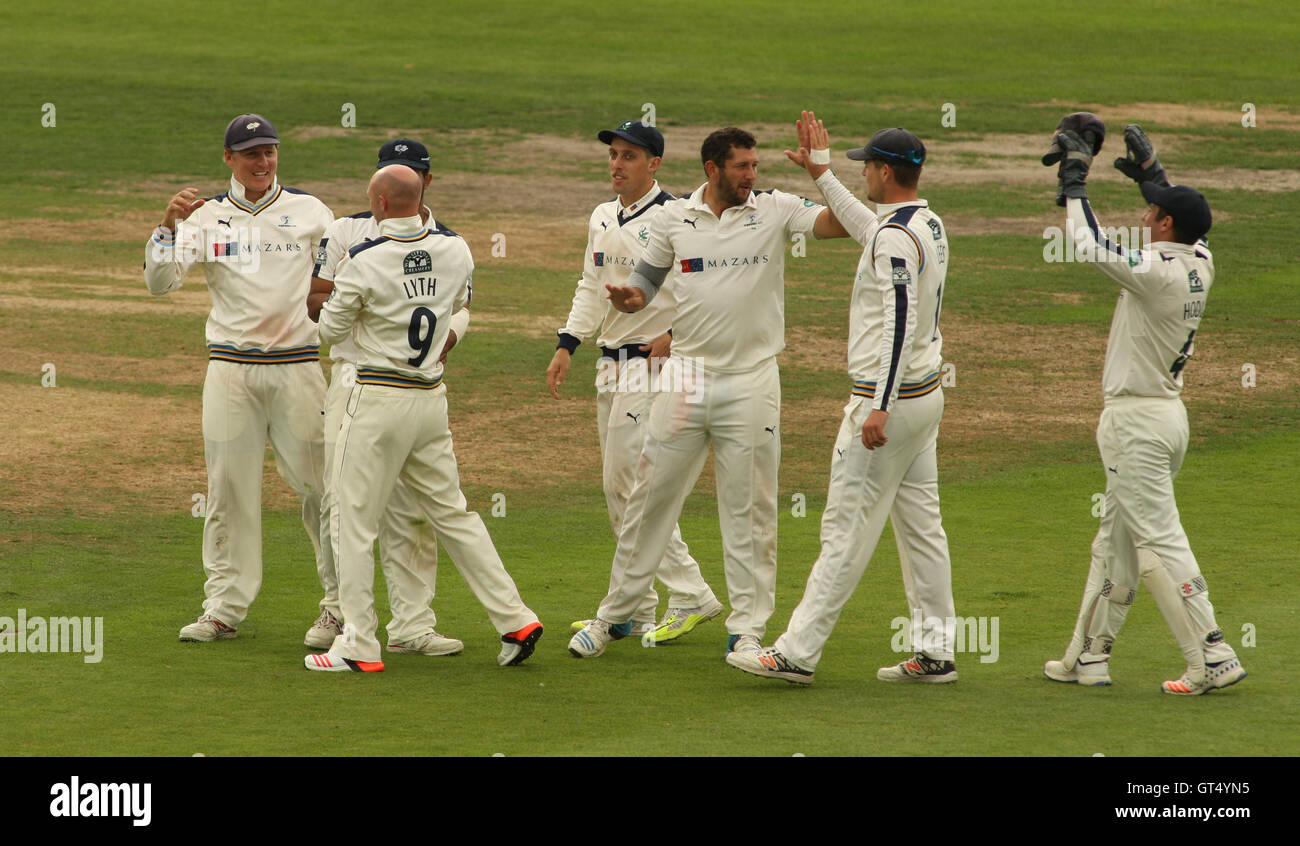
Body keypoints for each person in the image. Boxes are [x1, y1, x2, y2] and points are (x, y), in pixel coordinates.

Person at [568, 126, 849, 659]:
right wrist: (630, 298)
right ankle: (613, 617)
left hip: (751, 379)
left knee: (750, 508)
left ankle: (748, 629)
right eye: (742, 166)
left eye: (754, 165)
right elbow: (647, 282)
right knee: (647, 499)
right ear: (712, 169)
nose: (752, 175)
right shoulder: (675, 218)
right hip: (686, 377)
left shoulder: (775, 208)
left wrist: (821, 170)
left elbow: (846, 225)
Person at [727, 114, 958, 685]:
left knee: (844, 528)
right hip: (924, 399)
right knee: (922, 526)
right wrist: (822, 175)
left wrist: (878, 405)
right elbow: (867, 228)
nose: (864, 178)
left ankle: (797, 652)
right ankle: (935, 649)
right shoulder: (923, 223)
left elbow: (897, 324)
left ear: (883, 171)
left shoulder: (895, 238)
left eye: (866, 168)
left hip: (890, 404)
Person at [307, 166, 541, 672]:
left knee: (352, 521)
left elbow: (328, 328)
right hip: (430, 401)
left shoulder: (364, 259)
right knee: (454, 514)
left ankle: (358, 645)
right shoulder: (456, 249)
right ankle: (515, 617)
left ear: (383, 204)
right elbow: (457, 304)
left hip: (374, 399)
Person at [1040, 121, 1246, 695]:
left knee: (1158, 540)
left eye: (1154, 212)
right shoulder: (1201, 261)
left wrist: (1076, 182)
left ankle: (1212, 652)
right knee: (1116, 542)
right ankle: (1089, 656)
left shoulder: (1153, 274)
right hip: (1167, 420)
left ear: (1166, 227)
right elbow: (1187, 220)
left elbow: (1088, 244)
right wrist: (1154, 177)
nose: (1146, 218)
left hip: (1135, 425)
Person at [144, 114, 335, 643]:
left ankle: (338, 606)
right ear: (228, 159)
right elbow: (160, 283)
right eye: (251, 153)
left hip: (298, 368)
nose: (262, 162)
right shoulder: (205, 218)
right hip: (230, 371)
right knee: (227, 489)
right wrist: (167, 227)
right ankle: (224, 606)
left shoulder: (311, 211)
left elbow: (342, 278)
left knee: (322, 487)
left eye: (270, 151)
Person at [546, 120, 723, 646]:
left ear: (654, 164)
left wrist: (674, 333)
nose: (617, 165)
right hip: (610, 363)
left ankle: (689, 592)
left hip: (656, 367)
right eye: (614, 156)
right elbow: (590, 284)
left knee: (632, 484)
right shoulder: (602, 216)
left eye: (628, 156)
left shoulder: (676, 218)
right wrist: (566, 344)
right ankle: (638, 608)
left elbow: (710, 289)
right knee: (616, 487)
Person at [303, 139, 469, 657]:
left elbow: (461, 307)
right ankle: (341, 612)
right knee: (341, 504)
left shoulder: (446, 241)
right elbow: (315, 302)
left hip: (415, 390)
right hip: (355, 383)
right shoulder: (345, 232)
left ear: (426, 182)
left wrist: (449, 336)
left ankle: (413, 625)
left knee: (411, 510)